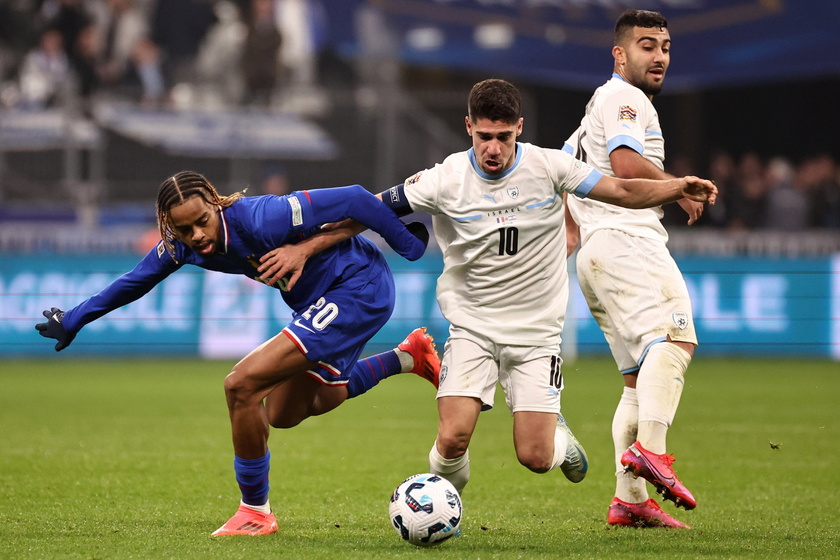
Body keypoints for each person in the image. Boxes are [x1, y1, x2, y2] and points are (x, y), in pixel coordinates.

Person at [255, 79, 717, 502]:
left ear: (519, 128)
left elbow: (619, 189)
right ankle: (438, 507)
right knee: (453, 439)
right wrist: (307, 248)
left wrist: (676, 186)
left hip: (537, 336)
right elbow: (366, 211)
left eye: (504, 137)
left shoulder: (552, 167)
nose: (493, 149)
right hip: (472, 328)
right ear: (468, 127)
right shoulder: (443, 179)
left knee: (534, 457)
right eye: (484, 137)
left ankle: (558, 438)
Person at [35, 171, 442, 536]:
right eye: (183, 228)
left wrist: (408, 245)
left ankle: (254, 512)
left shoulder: (265, 216)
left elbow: (355, 197)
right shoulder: (184, 245)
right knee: (286, 413)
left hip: (358, 288)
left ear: (216, 203)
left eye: (202, 221)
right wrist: (73, 319)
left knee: (241, 385)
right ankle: (407, 356)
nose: (196, 234)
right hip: (317, 303)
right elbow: (133, 281)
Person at [562, 9, 703, 529]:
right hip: (628, 241)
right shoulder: (625, 97)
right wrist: (678, 184)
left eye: (665, 47)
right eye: (647, 46)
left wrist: (574, 231)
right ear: (620, 54)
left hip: (597, 255)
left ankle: (630, 500)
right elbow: (624, 165)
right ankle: (652, 451)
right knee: (676, 341)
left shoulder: (588, 115)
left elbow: (563, 173)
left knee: (637, 379)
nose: (659, 56)